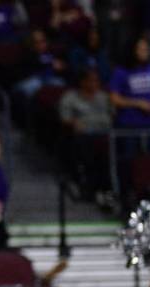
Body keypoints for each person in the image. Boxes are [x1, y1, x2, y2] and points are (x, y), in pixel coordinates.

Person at [58, 70, 113, 204]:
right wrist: (73, 123)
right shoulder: (70, 97)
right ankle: (84, 187)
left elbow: (112, 116)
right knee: (83, 146)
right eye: (91, 80)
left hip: (103, 136)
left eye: (97, 81)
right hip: (82, 138)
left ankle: (106, 190)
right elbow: (64, 118)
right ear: (82, 82)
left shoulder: (104, 97)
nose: (95, 84)